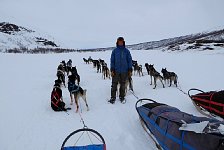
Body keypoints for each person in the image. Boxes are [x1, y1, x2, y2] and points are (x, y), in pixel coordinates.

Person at [109, 37, 132, 104]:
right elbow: (112, 61)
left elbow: (129, 60)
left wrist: (130, 69)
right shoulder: (114, 51)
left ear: (123, 42)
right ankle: (113, 98)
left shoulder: (126, 51)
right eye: (119, 42)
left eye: (121, 41)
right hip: (116, 71)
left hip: (124, 71)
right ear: (117, 42)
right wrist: (112, 69)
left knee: (123, 85)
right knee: (114, 85)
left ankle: (122, 97)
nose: (120, 43)